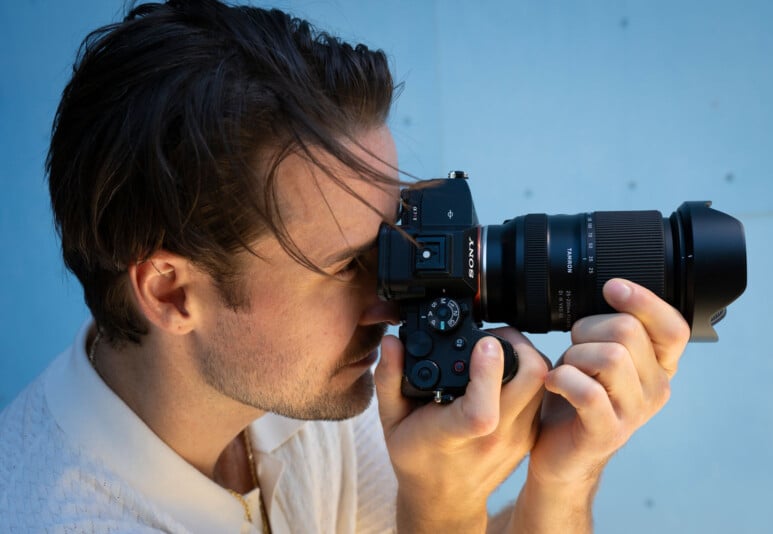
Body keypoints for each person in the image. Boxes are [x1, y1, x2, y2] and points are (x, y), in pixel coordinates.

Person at [0, 1, 690, 532]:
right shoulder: (61, 515)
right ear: (173, 292)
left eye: (396, 241)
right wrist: (441, 513)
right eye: (345, 266)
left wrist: (562, 479)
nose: (392, 300)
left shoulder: (300, 377)